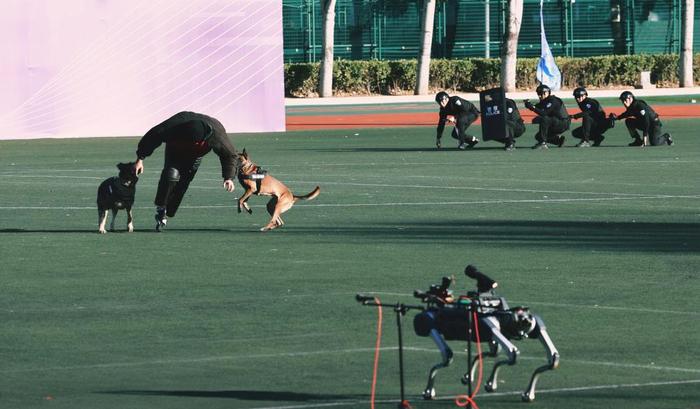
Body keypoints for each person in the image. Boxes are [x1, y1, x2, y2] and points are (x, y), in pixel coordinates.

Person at [134, 111, 239, 231]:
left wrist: (228, 177)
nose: (195, 143)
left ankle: (170, 211)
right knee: (170, 175)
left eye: (198, 142)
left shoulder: (217, 134)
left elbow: (230, 155)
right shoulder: (173, 126)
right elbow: (152, 136)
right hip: (175, 150)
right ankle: (161, 207)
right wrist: (140, 158)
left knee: (183, 182)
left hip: (196, 155)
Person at [524, 84, 570, 149]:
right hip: (556, 122)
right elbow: (537, 107)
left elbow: (544, 113)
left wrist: (533, 108)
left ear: (547, 93)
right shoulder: (545, 101)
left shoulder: (553, 100)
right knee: (539, 136)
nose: (539, 96)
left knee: (544, 119)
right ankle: (559, 140)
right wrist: (529, 105)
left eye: (541, 93)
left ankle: (543, 143)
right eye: (538, 94)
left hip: (563, 123)